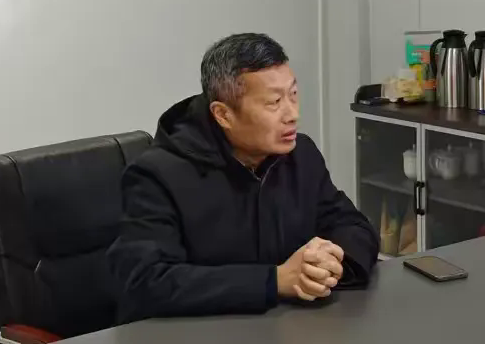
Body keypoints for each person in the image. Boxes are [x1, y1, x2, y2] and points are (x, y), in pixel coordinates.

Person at [108, 33, 378, 323]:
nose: (292, 114)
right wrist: (274, 281)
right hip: (194, 342)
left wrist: (329, 262)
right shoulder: (156, 175)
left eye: (293, 94)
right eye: (274, 102)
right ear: (223, 114)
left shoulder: (301, 155)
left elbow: (353, 225)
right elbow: (146, 281)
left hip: (287, 331)